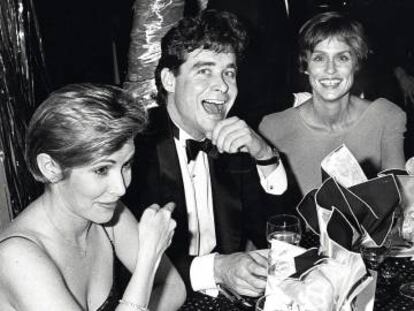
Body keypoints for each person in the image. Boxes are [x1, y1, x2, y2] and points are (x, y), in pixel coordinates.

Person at [123, 10, 288, 297]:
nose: (222, 86)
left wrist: (264, 154)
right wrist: (217, 269)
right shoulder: (133, 150)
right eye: (204, 70)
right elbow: (126, 266)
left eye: (229, 72)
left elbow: (278, 232)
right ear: (169, 80)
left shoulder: (234, 142)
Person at [0, 84, 186, 310]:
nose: (120, 189)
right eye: (101, 170)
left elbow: (174, 288)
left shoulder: (109, 216)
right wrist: (148, 259)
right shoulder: (16, 258)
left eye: (126, 165)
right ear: (51, 168)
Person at [259, 11, 406, 199]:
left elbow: (400, 203)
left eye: (342, 58)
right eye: (319, 58)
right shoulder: (273, 128)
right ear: (305, 65)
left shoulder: (386, 116)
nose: (330, 69)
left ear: (356, 63)